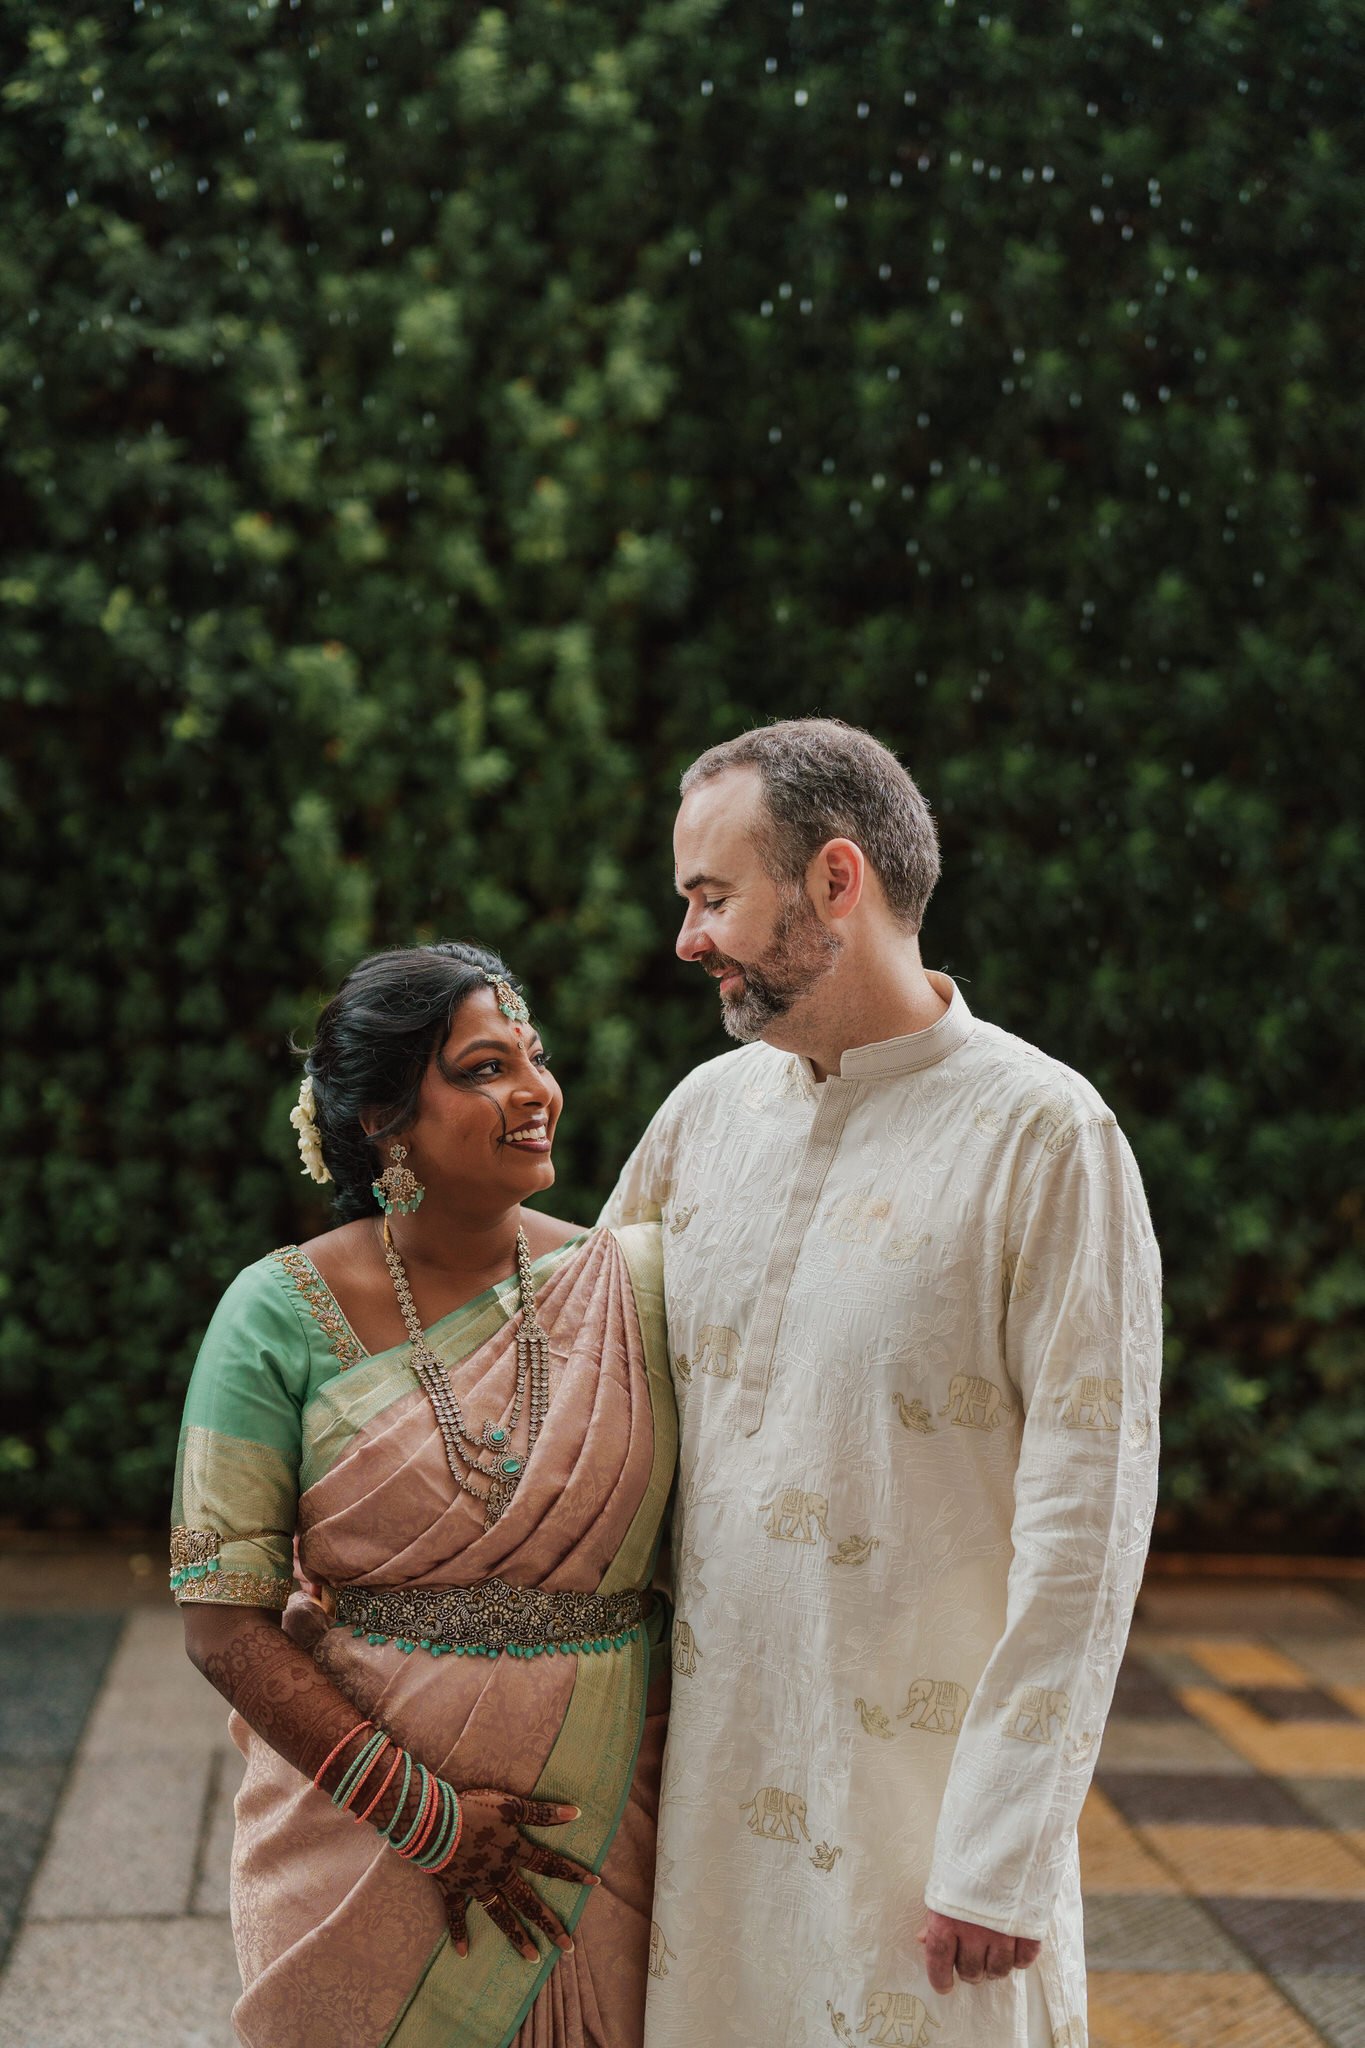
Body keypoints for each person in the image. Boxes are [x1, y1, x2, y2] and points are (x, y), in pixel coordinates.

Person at [600, 720, 1161, 2048]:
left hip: (928, 1839)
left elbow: (1090, 1522)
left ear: (835, 883)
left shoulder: (1047, 1136)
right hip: (710, 1812)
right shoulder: (703, 1117)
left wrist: (1000, 1849)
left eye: (711, 896)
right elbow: (571, 1384)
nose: (687, 939)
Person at [173, 942, 676, 2048]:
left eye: (533, 1058)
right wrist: (430, 1819)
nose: (536, 1089)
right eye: (485, 1066)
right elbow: (222, 1621)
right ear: (381, 1119)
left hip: (601, 1832)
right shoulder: (275, 1312)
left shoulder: (624, 1287)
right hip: (362, 1848)